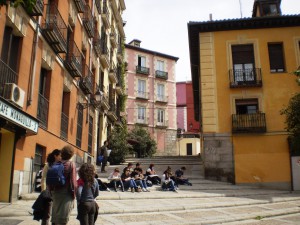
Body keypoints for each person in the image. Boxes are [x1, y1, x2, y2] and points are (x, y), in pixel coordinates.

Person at [51, 145, 77, 225]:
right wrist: (74, 195)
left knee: (55, 217)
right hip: (66, 194)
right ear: (71, 154)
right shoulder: (71, 164)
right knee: (62, 219)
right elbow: (73, 182)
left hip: (55, 193)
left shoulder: (55, 164)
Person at [37, 149, 61, 225]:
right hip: (48, 193)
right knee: (46, 214)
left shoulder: (61, 165)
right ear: (55, 156)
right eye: (60, 155)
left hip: (57, 193)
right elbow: (43, 178)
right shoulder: (48, 165)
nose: (61, 157)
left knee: (56, 214)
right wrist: (44, 190)